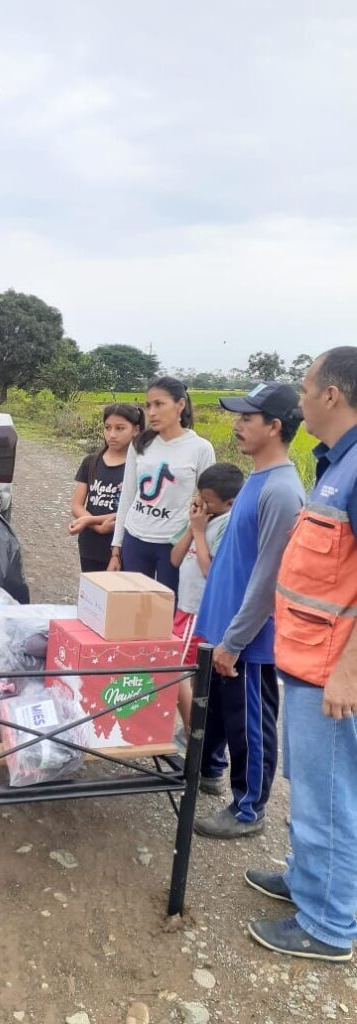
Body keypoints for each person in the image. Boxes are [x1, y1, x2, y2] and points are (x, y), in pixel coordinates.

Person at [246, 348, 357, 963]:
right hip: (308, 662)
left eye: (308, 388)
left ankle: (330, 926)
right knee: (308, 785)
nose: (303, 399)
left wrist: (349, 671)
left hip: (333, 673)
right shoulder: (336, 464)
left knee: (330, 797)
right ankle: (307, 881)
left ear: (332, 396)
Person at [193, 383, 305, 839]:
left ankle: (248, 809)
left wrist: (235, 641)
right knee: (223, 716)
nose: (237, 425)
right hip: (226, 631)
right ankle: (210, 772)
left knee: (250, 727)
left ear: (274, 427)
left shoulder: (280, 491)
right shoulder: (257, 480)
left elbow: (268, 579)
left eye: (247, 418)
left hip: (249, 642)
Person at [109, 377, 215, 591]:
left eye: (159, 404)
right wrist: (116, 547)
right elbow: (128, 496)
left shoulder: (200, 448)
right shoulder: (140, 444)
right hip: (135, 538)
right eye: (149, 406)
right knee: (133, 608)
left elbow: (210, 503)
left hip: (173, 544)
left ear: (180, 404)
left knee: (168, 611)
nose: (152, 412)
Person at [170, 462, 244, 734]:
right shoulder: (202, 518)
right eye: (199, 495)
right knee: (183, 673)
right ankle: (194, 732)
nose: (201, 502)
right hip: (184, 606)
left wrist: (200, 532)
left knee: (177, 671)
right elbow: (175, 558)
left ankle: (194, 733)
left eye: (209, 500)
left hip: (199, 611)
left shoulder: (226, 524)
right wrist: (193, 527)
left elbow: (209, 571)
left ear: (230, 502)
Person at [69, 403, 145, 572]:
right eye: (107, 428)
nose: (112, 435)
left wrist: (90, 520)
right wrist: (97, 526)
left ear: (136, 430)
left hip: (123, 546)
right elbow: (76, 505)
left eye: (120, 428)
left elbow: (133, 509)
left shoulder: (140, 466)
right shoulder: (91, 462)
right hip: (90, 544)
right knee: (93, 595)